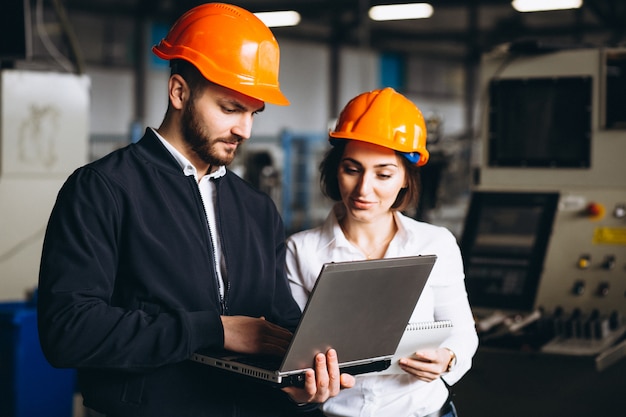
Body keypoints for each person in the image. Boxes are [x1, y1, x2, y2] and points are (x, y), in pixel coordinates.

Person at [37, 3, 353, 417]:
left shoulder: (256, 209)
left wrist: (303, 383)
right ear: (179, 92)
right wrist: (214, 330)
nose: (245, 130)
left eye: (253, 112)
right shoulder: (103, 189)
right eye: (229, 108)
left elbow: (280, 329)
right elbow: (69, 331)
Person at [285, 87, 479, 417]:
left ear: (406, 178)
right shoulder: (302, 251)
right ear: (336, 170)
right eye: (352, 169)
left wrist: (448, 357)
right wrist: (304, 390)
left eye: (384, 174)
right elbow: (292, 358)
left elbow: (461, 331)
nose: (364, 189)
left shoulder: (436, 244)